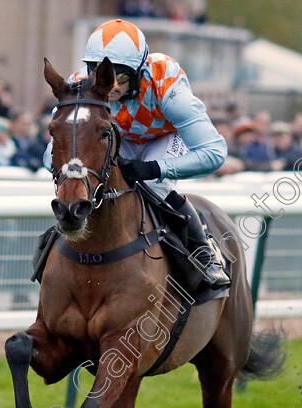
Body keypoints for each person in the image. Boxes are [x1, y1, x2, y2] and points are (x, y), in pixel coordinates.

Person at [49, 19, 229, 287]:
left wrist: (155, 168)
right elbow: (51, 151)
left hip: (163, 138)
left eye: (119, 76)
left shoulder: (168, 89)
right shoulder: (80, 87)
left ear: (139, 72)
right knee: (88, 188)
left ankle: (204, 254)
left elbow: (215, 152)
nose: (108, 85)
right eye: (97, 72)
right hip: (118, 139)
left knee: (155, 188)